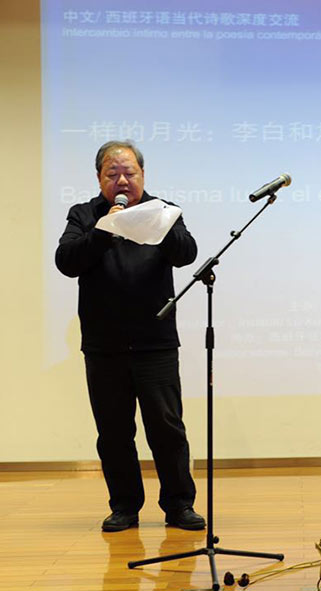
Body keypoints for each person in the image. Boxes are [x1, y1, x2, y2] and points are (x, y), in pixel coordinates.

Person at [55, 140, 205, 532]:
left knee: (167, 429)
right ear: (99, 178)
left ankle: (178, 506)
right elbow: (66, 262)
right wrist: (106, 229)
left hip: (154, 342)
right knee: (114, 432)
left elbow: (186, 253)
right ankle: (124, 506)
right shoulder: (85, 215)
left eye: (129, 173)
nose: (122, 180)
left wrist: (159, 225)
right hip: (104, 347)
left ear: (142, 174)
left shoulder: (163, 210)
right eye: (112, 174)